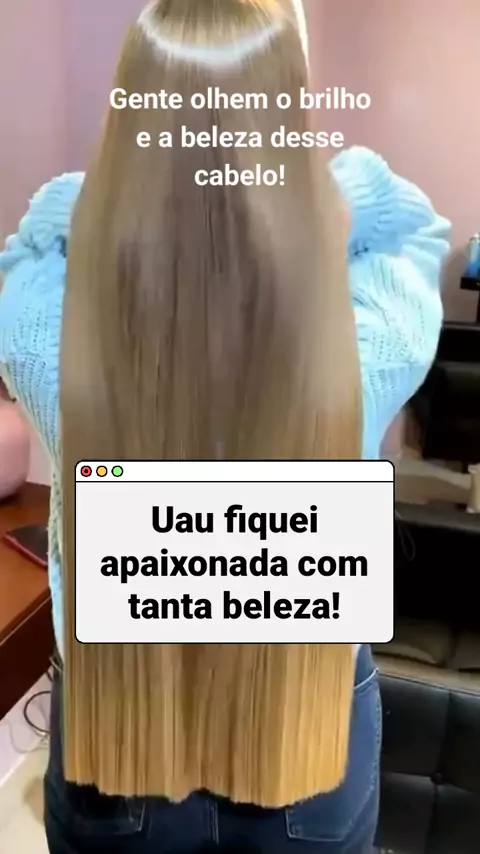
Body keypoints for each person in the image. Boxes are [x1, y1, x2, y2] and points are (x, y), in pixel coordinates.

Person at [0, 0, 450, 851]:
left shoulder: (46, 335)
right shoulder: (366, 342)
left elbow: (32, 239)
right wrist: (294, 185)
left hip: (119, 742)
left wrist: (127, 188)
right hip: (308, 743)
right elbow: (409, 223)